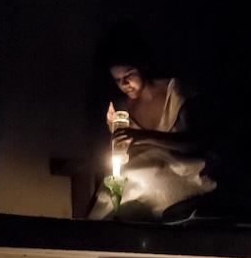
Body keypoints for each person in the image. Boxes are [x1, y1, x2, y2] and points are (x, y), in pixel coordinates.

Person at [88, 22, 217, 220]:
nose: (124, 84)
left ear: (143, 66)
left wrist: (143, 136)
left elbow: (195, 142)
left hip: (181, 173)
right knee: (113, 201)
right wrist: (115, 137)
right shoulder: (121, 106)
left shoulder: (174, 91)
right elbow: (121, 157)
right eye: (117, 80)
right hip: (139, 177)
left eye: (128, 75)